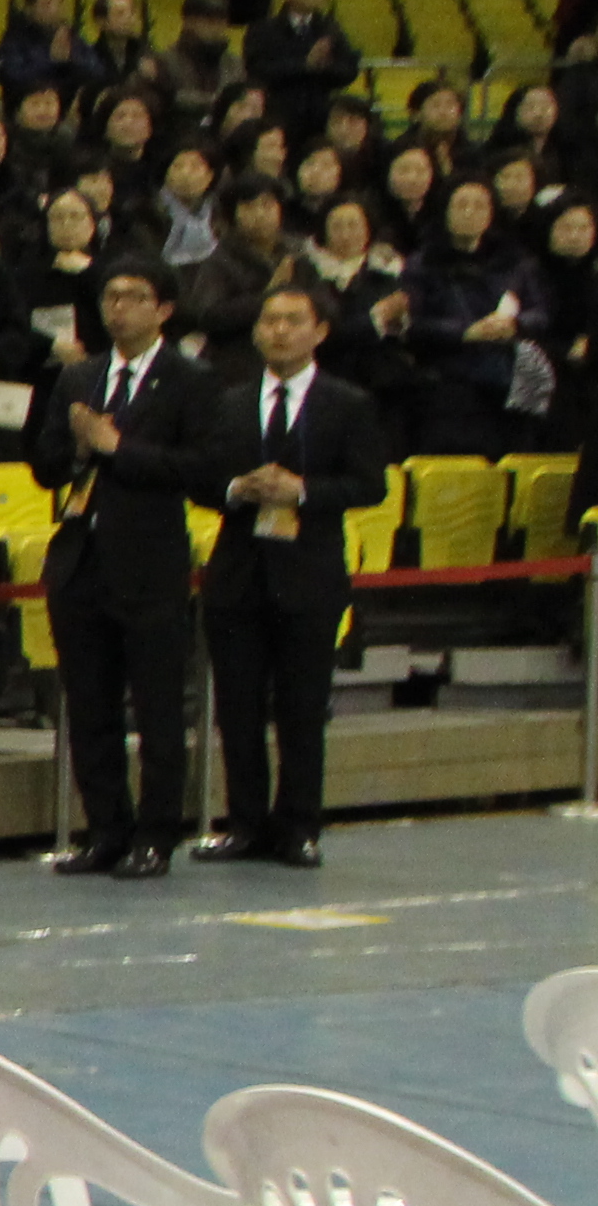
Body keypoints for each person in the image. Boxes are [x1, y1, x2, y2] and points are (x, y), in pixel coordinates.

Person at [194, 282, 391, 869]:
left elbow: (370, 484)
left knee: (304, 707)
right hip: (238, 573)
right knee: (239, 706)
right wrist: (237, 489)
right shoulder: (228, 401)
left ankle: (299, 824)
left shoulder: (347, 403)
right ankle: (245, 823)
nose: (279, 331)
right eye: (269, 320)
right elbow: (201, 476)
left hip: (309, 574)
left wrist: (304, 492)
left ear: (319, 331)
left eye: (292, 320)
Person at [35, 259, 212, 881]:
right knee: (90, 705)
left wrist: (119, 450)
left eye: (135, 296)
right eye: (111, 296)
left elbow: (200, 470)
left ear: (163, 309)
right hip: (81, 558)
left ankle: (157, 834)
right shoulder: (78, 377)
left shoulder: (189, 380)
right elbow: (46, 463)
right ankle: (105, 829)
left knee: (159, 705)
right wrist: (80, 446)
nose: (119, 308)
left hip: (151, 560)